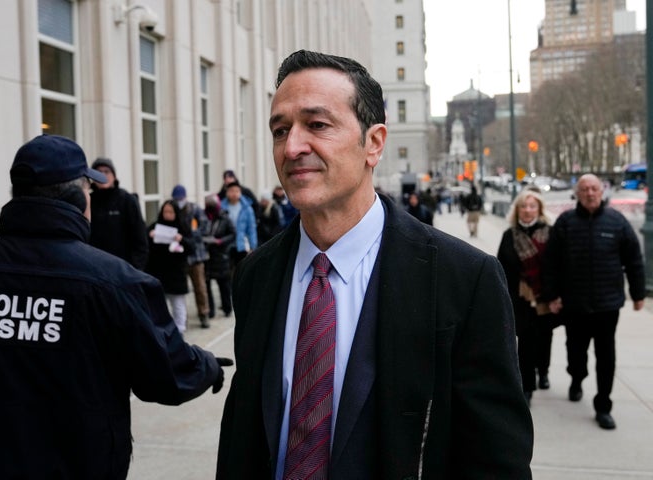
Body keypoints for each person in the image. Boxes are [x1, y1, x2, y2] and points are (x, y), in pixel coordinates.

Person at [216, 50, 533, 479]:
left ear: (374, 143)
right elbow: (242, 434)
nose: (292, 147)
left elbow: (495, 461)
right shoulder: (256, 275)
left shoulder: (464, 280)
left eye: (317, 125)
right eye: (280, 129)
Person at [0, 134, 232, 478]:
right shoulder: (117, 283)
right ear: (78, 198)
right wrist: (206, 365)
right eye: (90, 191)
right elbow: (165, 375)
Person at [541, 173, 646, 430]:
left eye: (594, 189)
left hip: (607, 304)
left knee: (606, 355)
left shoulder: (617, 222)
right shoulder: (565, 222)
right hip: (574, 304)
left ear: (602, 192)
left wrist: (638, 293)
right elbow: (551, 264)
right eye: (585, 189)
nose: (590, 193)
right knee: (576, 353)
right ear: (577, 193)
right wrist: (552, 296)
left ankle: (603, 405)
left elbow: (634, 260)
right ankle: (577, 377)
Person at [497, 187, 561, 406]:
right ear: (517, 210)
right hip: (520, 298)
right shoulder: (509, 235)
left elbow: (557, 266)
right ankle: (527, 386)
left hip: (545, 295)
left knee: (544, 338)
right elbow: (501, 268)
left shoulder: (550, 234)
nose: (527, 210)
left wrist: (556, 295)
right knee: (524, 341)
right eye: (523, 206)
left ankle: (543, 370)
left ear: (539, 209)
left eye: (532, 206)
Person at [89, 157, 149, 269]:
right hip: (95, 268)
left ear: (114, 176)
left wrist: (135, 270)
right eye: (98, 172)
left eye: (106, 171)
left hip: (123, 270)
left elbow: (140, 240)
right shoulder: (88, 201)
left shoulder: (127, 200)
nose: (103, 175)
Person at [145, 200, 195, 334]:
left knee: (178, 304)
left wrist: (181, 240)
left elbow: (192, 248)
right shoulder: (155, 226)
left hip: (176, 274)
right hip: (157, 272)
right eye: (165, 211)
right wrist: (149, 237)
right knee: (159, 305)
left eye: (170, 212)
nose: (167, 215)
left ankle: (180, 330)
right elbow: (143, 246)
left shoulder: (182, 227)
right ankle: (161, 331)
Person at [172, 184, 211, 328]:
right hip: (180, 255)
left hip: (196, 255)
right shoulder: (173, 210)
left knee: (200, 287)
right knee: (181, 288)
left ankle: (204, 314)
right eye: (176, 198)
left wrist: (191, 237)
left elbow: (205, 227)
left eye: (180, 198)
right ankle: (182, 318)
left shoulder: (194, 209)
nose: (178, 201)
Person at [202, 194, 236, 319]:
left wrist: (220, 241)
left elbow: (233, 234)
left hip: (221, 255)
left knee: (223, 284)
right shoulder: (203, 217)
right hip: (207, 255)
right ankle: (210, 310)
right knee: (207, 284)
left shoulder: (225, 218)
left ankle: (227, 308)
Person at [220, 181, 258, 268]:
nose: (234, 193)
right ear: (227, 192)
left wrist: (253, 246)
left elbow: (251, 229)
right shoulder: (222, 207)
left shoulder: (247, 208)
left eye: (237, 191)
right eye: (232, 191)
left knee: (241, 269)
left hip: (242, 245)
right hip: (226, 245)